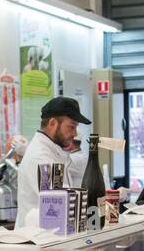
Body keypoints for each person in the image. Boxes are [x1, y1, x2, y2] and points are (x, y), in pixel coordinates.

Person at [15, 96, 89, 227]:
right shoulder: (41, 157)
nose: (74, 133)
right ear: (53, 123)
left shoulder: (53, 151)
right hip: (37, 240)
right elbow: (59, 201)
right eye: (71, 127)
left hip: (50, 236)